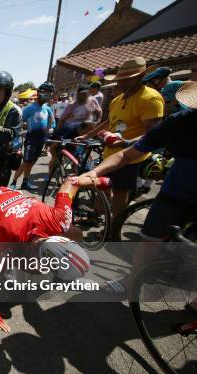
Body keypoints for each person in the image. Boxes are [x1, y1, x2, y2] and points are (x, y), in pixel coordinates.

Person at [79, 81, 197, 293]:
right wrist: (95, 172)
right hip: (177, 192)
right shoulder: (177, 123)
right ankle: (131, 282)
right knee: (148, 240)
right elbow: (128, 154)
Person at [0, 175, 105, 331]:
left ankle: (62, 273)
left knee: (76, 232)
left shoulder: (59, 218)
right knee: (10, 270)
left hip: (16, 198)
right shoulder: (9, 243)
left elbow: (71, 181)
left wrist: (98, 181)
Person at [78, 57, 164, 219]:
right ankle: (96, 215)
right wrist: (87, 135)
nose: (121, 83)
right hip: (109, 153)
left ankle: (114, 229)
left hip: (129, 157)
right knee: (101, 186)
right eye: (120, 79)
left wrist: (125, 142)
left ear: (141, 76)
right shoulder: (118, 99)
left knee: (119, 192)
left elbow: (153, 134)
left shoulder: (150, 98)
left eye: (127, 80)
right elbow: (109, 122)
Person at [10, 82, 55, 191]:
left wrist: (49, 129)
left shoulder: (47, 108)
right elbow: (19, 123)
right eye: (46, 94)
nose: (48, 97)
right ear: (39, 93)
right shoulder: (29, 108)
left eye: (50, 95)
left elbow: (52, 122)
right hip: (31, 139)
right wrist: (20, 134)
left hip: (41, 140)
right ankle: (14, 182)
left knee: (31, 163)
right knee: (26, 162)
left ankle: (25, 182)